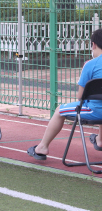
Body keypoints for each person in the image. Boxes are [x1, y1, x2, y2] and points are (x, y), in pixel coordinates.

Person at [28, 29, 102, 161]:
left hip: (94, 110)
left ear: (94, 44)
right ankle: (100, 140)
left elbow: (81, 96)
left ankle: (42, 147)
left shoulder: (91, 65)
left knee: (59, 111)